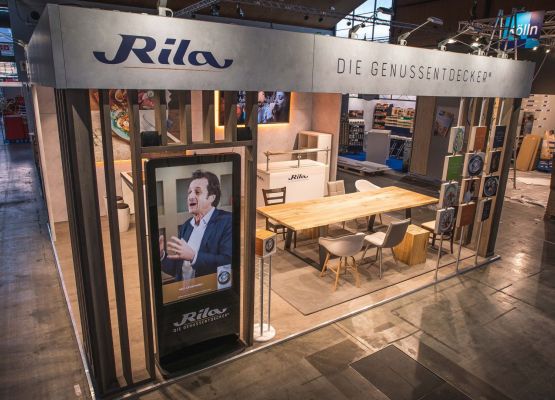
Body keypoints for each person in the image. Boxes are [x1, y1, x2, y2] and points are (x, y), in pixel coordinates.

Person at [160, 170, 232, 281]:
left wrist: (194, 257)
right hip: (183, 290)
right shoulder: (186, 226)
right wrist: (161, 255)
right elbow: (178, 270)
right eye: (189, 192)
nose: (190, 196)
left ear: (211, 197)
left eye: (197, 192)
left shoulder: (227, 221)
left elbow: (227, 261)